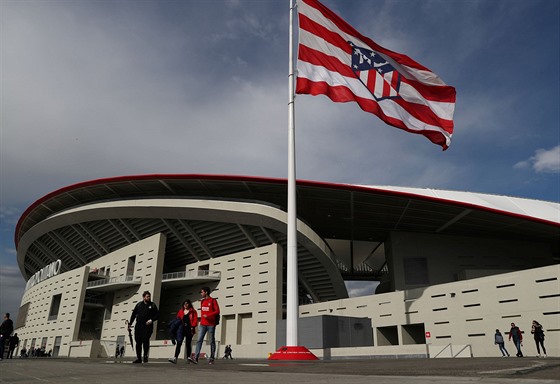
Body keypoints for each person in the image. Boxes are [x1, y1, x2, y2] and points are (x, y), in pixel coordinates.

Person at [128, 291, 159, 363]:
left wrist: (151, 320)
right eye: (147, 296)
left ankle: (145, 356)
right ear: (144, 297)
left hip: (147, 326)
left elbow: (157, 315)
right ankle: (139, 358)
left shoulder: (152, 305)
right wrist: (130, 323)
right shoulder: (139, 305)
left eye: (149, 296)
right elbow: (133, 314)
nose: (149, 298)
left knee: (145, 340)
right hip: (139, 325)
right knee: (138, 341)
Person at [194, 286, 220, 364]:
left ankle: (212, 358)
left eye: (202, 292)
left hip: (211, 324)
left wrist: (208, 315)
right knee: (199, 340)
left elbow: (217, 311)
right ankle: (196, 357)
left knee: (211, 340)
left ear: (206, 292)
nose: (201, 293)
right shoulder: (202, 302)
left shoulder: (213, 301)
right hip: (203, 324)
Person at [168, 299, 198, 364]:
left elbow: (195, 320)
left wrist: (193, 326)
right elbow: (177, 319)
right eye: (184, 304)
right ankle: (175, 358)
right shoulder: (181, 311)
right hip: (181, 329)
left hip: (189, 329)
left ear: (189, 304)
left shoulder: (193, 311)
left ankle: (188, 358)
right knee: (179, 342)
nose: (185, 305)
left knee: (188, 343)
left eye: (187, 303)